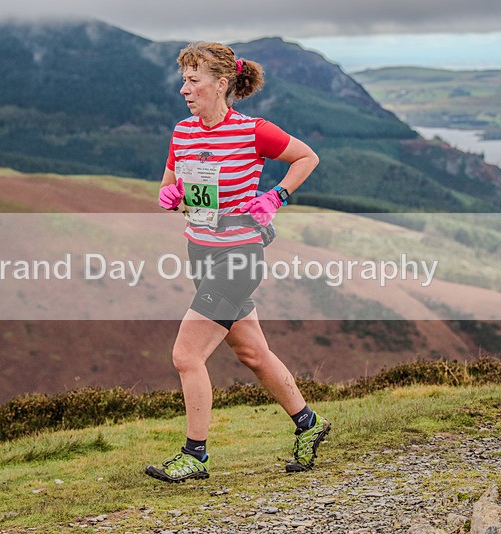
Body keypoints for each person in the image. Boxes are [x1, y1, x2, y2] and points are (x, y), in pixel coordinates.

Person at [145, 42, 329, 483]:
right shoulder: (183, 133)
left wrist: (276, 196)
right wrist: (169, 197)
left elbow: (307, 157)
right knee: (251, 351)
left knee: (186, 354)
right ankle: (309, 424)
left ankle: (195, 456)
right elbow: (171, 186)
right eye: (184, 80)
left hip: (239, 255)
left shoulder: (253, 131)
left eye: (193, 80)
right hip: (200, 252)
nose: (184, 89)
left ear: (221, 84)